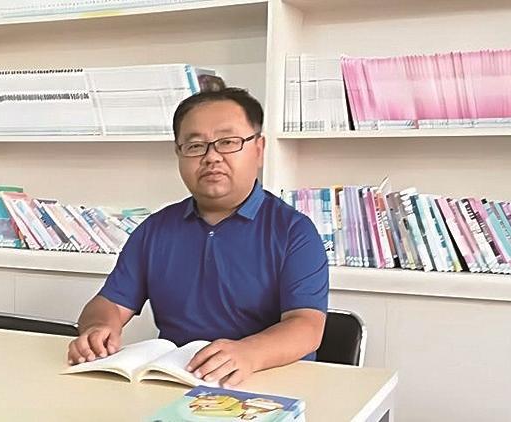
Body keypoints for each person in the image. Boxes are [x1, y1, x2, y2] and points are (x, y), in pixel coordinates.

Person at [68, 88, 329, 388]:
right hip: (176, 381)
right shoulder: (155, 230)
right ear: (179, 154)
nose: (211, 157)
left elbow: (307, 325)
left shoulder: (293, 231)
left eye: (228, 142)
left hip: (266, 384)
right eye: (195, 146)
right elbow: (110, 303)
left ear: (259, 149)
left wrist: (248, 353)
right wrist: (98, 328)